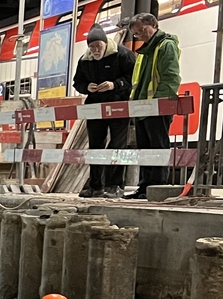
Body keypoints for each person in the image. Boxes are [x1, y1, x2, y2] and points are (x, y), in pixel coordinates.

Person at [72, 25, 135, 197]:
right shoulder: (85, 60)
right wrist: (87, 88)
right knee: (95, 147)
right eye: (92, 47)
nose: (95, 50)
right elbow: (77, 82)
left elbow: (133, 78)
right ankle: (96, 186)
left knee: (117, 145)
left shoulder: (123, 55)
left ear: (106, 43)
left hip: (119, 105)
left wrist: (115, 85)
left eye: (98, 46)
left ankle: (115, 185)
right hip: (95, 107)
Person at [125, 13, 181, 199]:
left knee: (157, 148)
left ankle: (157, 186)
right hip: (142, 108)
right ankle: (144, 187)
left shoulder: (165, 46)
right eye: (136, 33)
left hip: (157, 108)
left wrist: (160, 103)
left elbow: (170, 77)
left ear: (154, 25)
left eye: (142, 30)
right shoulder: (144, 51)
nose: (140, 35)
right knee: (145, 150)